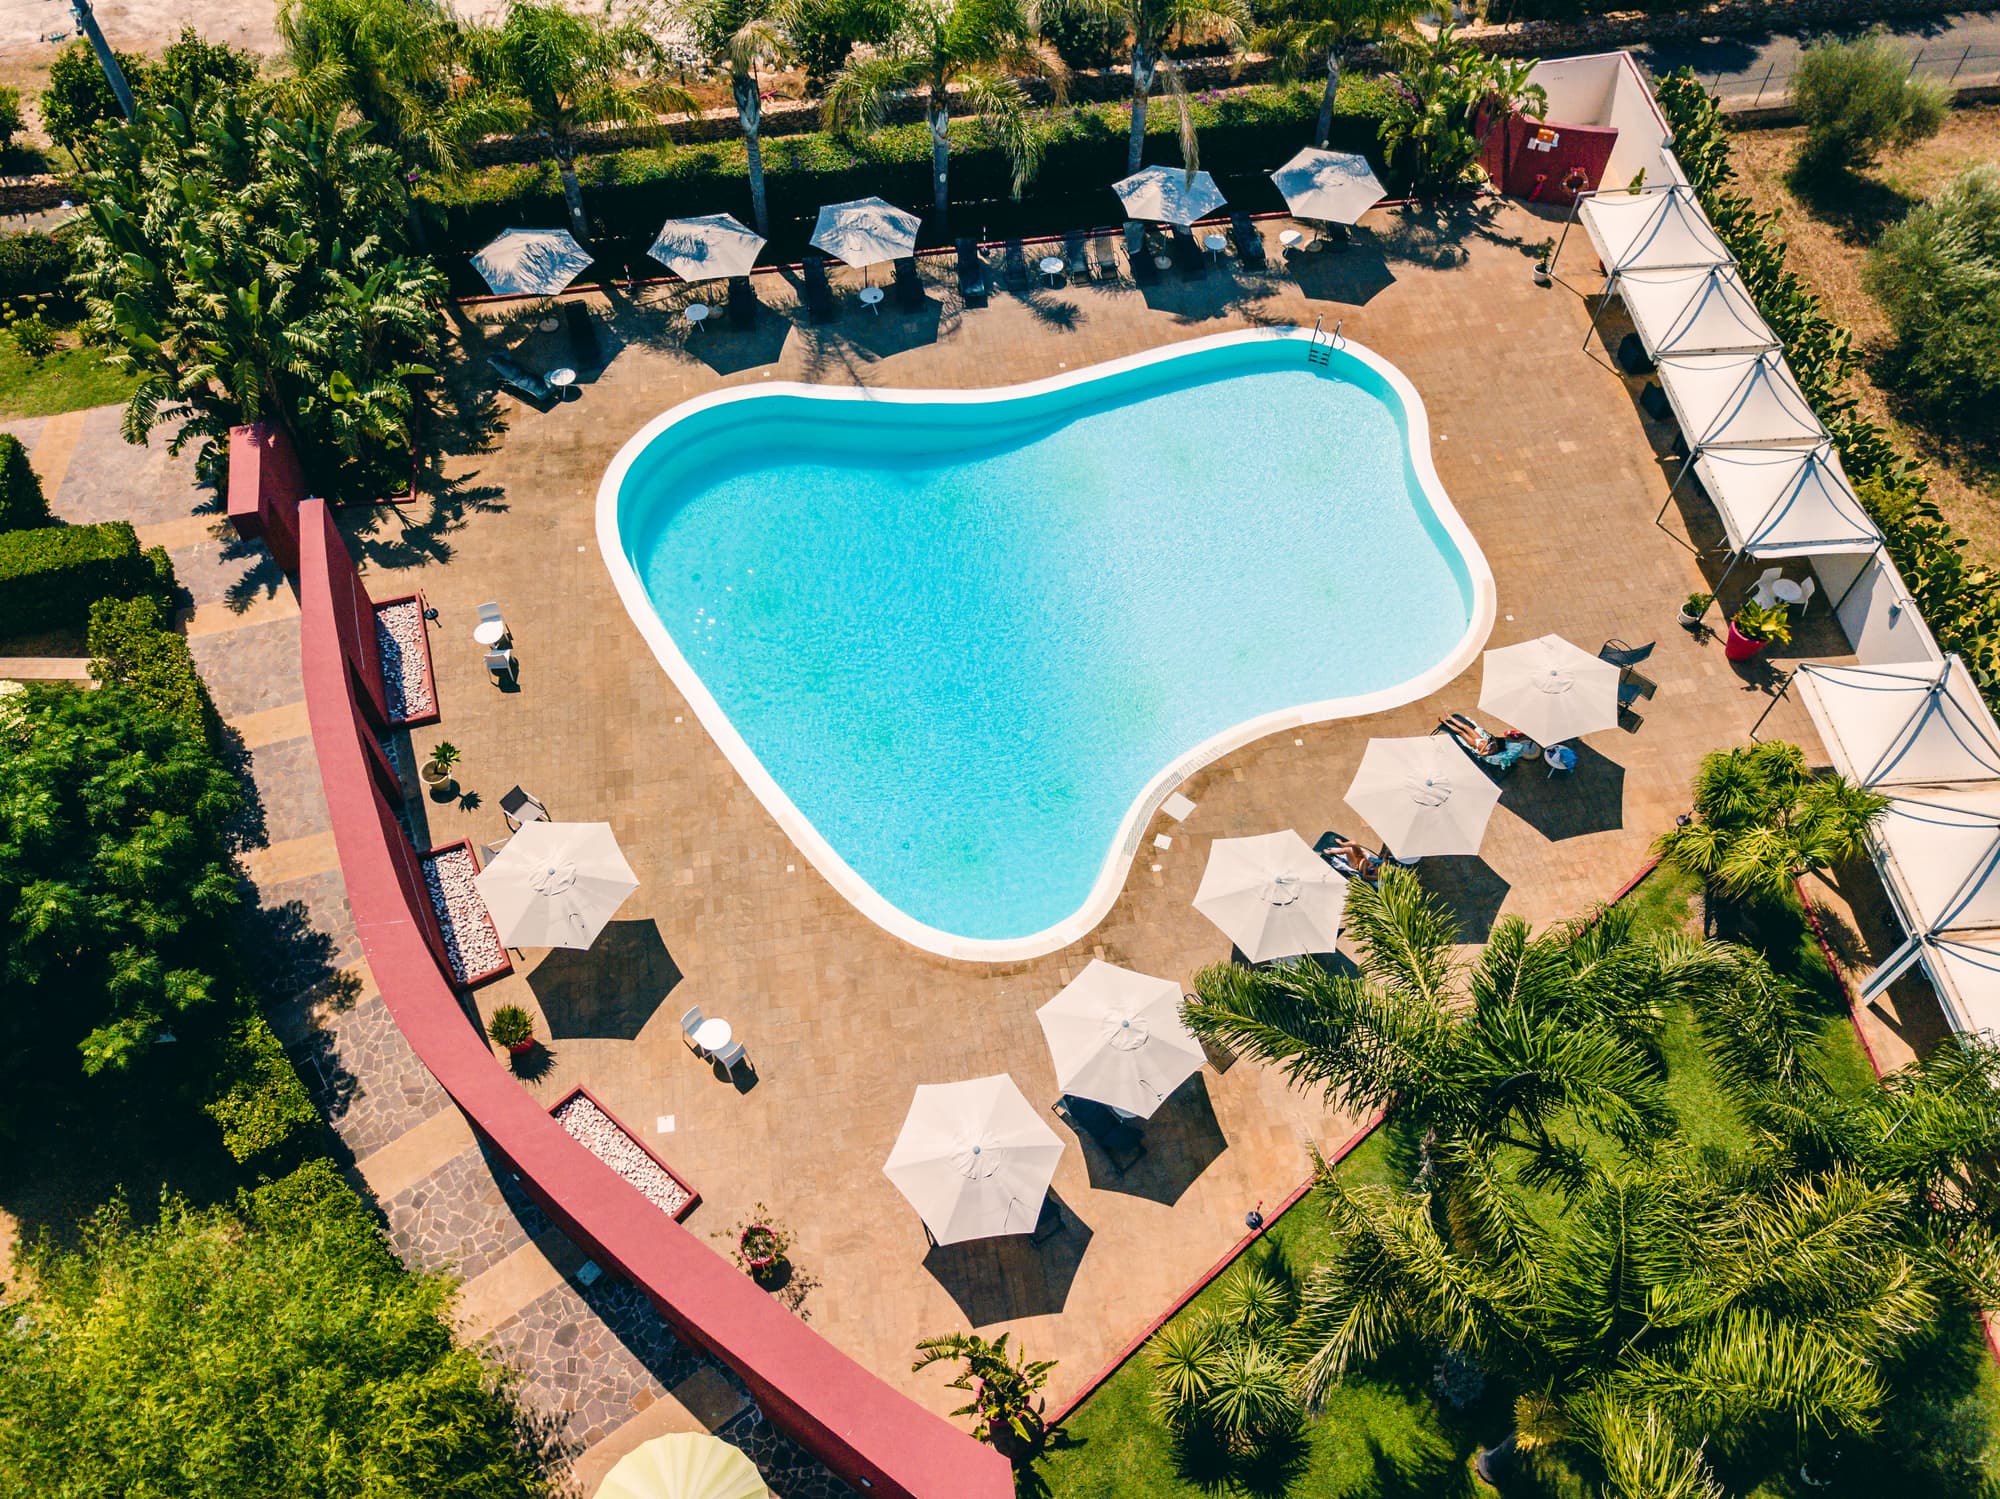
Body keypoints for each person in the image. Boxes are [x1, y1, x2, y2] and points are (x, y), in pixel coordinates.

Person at [1438, 714, 1535, 769]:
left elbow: (1480, 754)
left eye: (1495, 742)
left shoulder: (1492, 751)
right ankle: (1450, 718)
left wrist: (1484, 745)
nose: (1494, 742)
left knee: (1461, 732)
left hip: (1475, 744)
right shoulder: (1496, 744)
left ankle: (1445, 722)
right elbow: (1492, 741)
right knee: (1466, 727)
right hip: (1480, 738)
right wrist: (1488, 741)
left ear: (1498, 746)